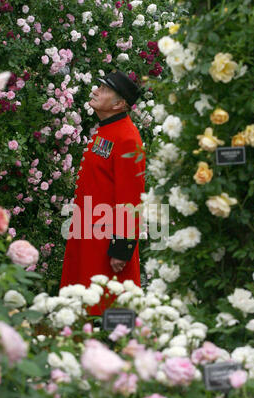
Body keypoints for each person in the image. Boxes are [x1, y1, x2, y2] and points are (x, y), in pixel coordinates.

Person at [59, 70, 146, 316]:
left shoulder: (127, 138)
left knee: (107, 309)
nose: (96, 91)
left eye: (105, 89)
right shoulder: (108, 130)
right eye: (99, 86)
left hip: (106, 243)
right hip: (89, 235)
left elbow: (131, 197)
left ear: (119, 104)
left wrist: (121, 248)